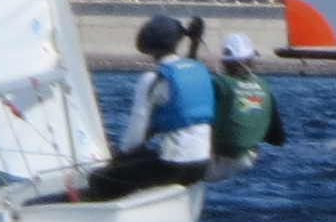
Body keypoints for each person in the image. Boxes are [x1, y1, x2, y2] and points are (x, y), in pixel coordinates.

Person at [87, 13, 217, 199]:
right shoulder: (196, 69)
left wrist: (115, 159)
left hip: (175, 165)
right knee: (140, 163)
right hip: (202, 165)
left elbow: (134, 139)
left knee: (99, 179)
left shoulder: (153, 79)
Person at [211, 30, 289, 169]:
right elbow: (277, 139)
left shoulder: (218, 84)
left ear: (224, 61)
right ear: (251, 60)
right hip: (246, 161)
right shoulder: (263, 87)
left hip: (216, 159)